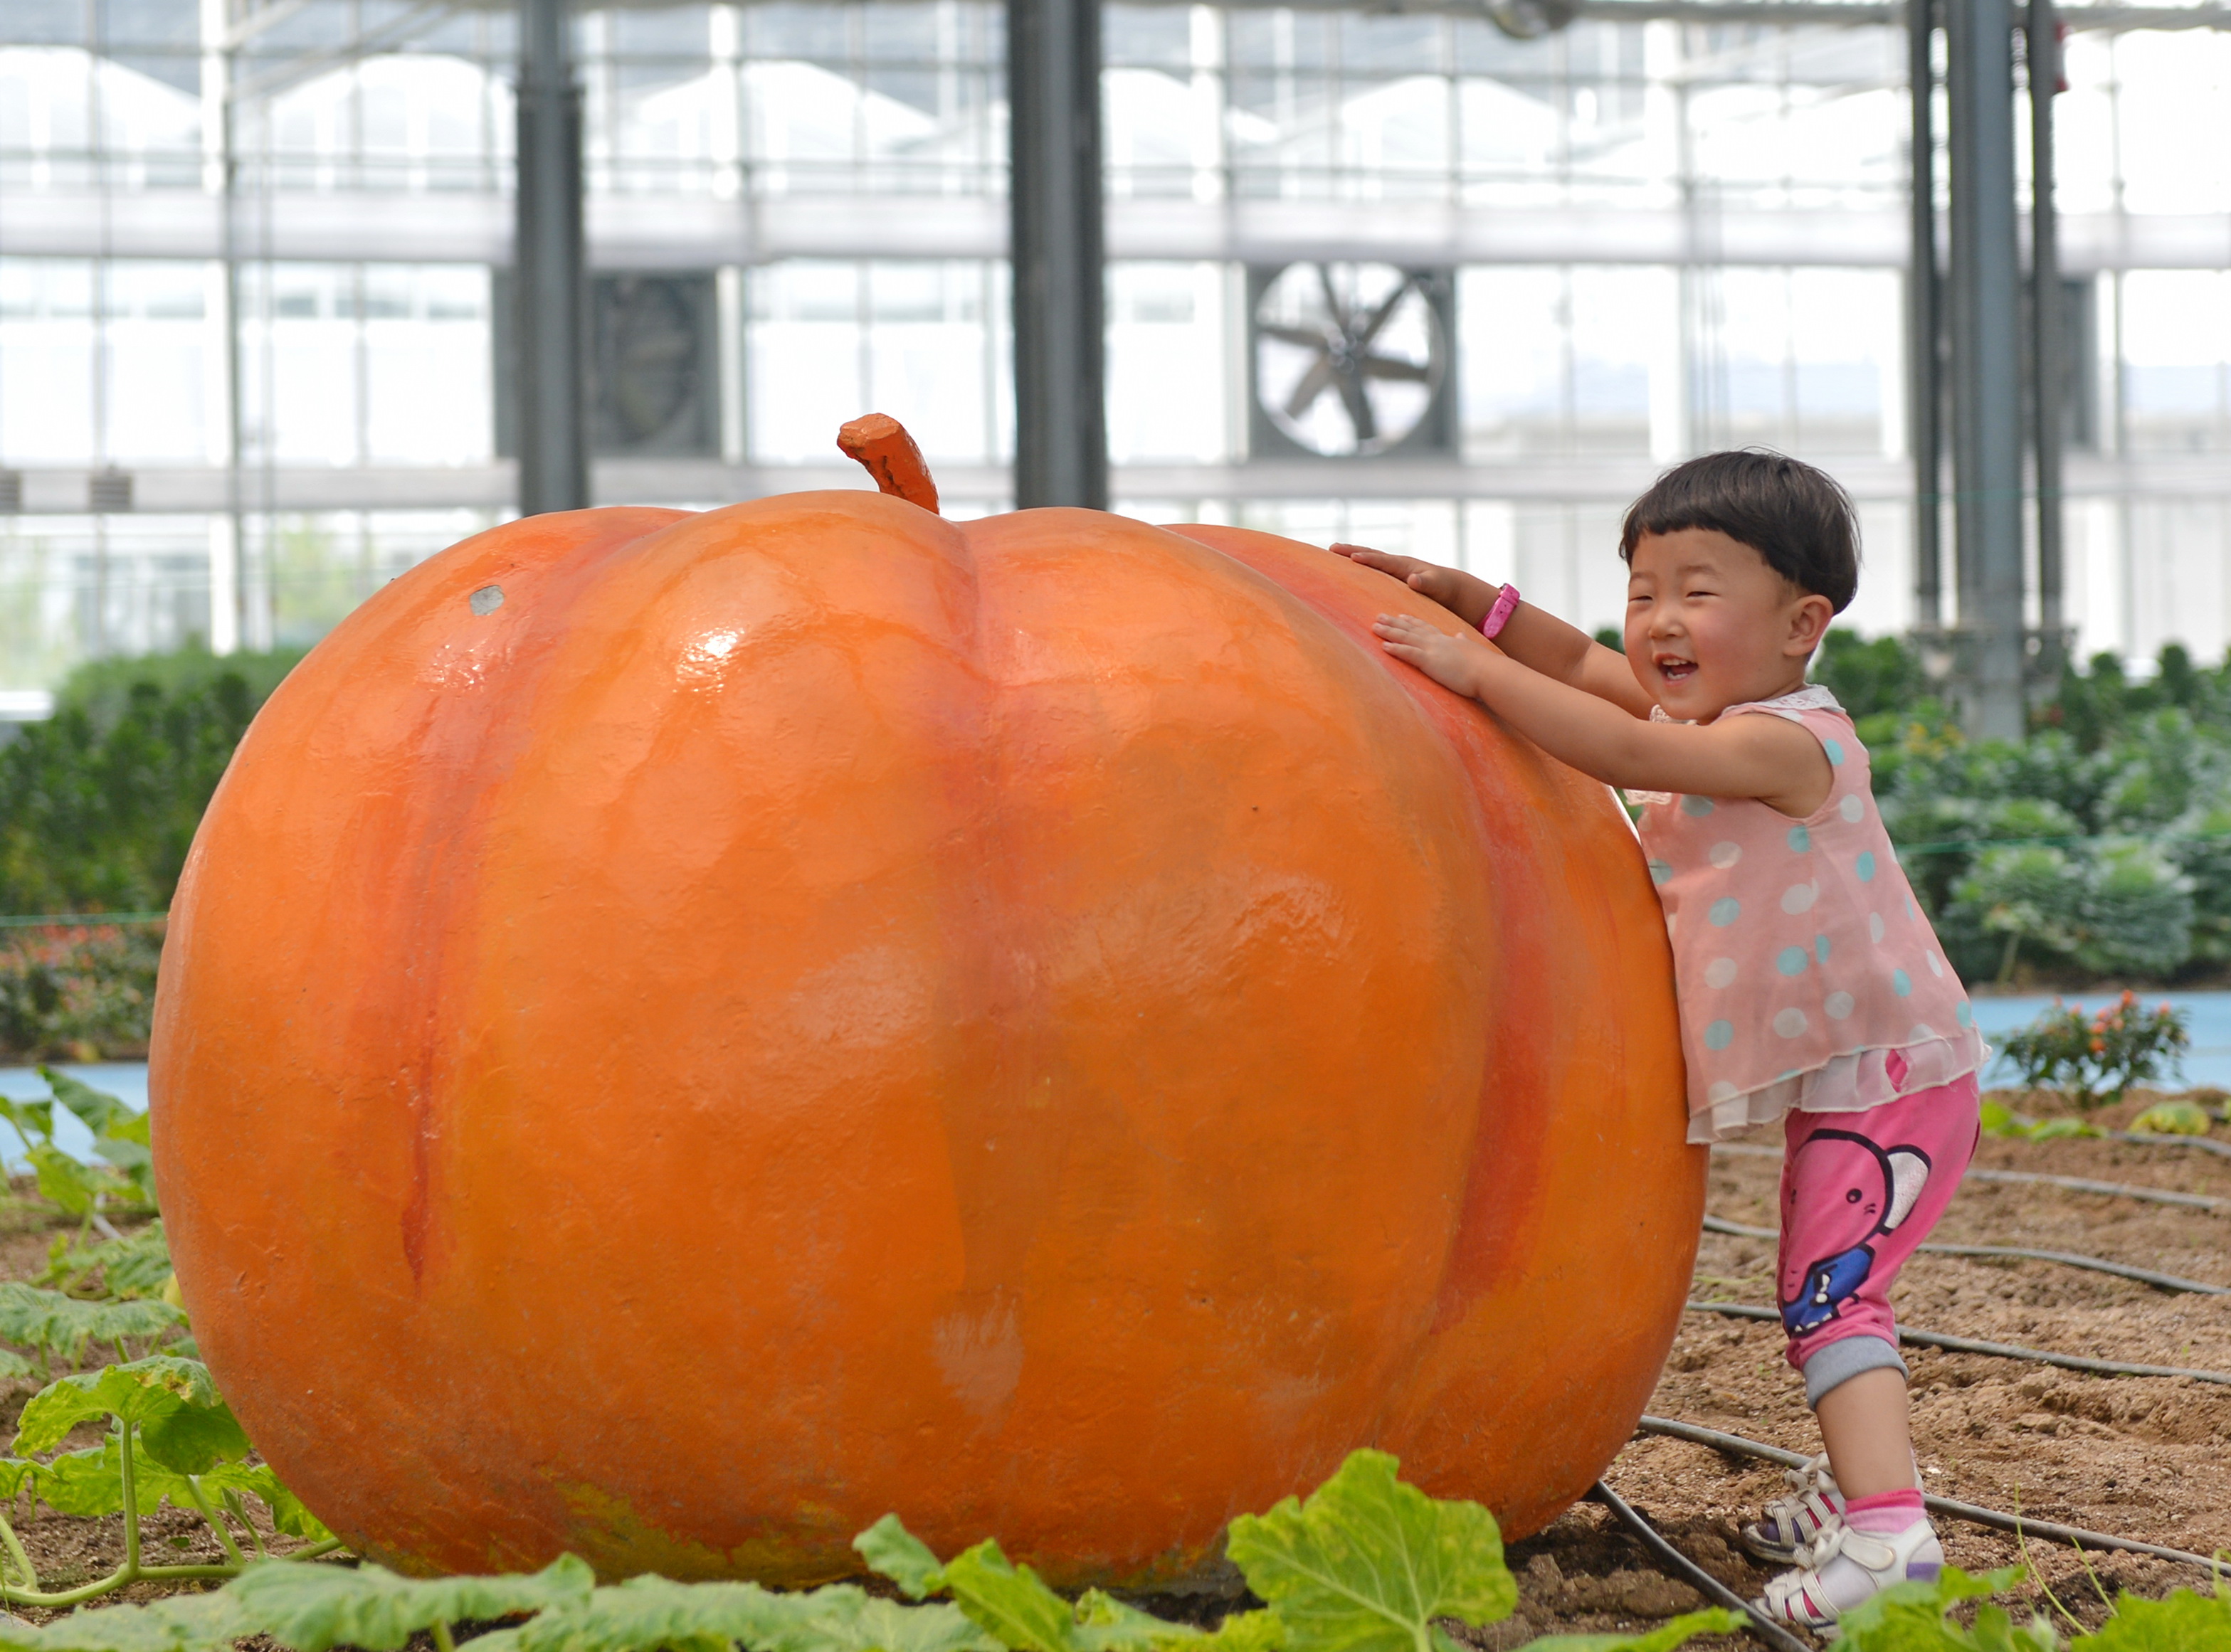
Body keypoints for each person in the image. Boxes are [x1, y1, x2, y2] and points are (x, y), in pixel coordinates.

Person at [1339, 450, 1985, 1632]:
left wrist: (1476, 672)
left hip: (1896, 1083)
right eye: (1642, 591)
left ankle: (1892, 1533)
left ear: (1803, 624)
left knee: (1831, 1300)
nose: (1656, 622)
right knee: (1824, 1292)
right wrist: (1475, 599)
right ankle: (1861, 1495)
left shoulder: (1789, 744)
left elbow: (1624, 748)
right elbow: (1587, 669)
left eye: (1697, 590)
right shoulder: (1717, 709)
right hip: (1863, 1075)